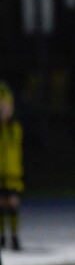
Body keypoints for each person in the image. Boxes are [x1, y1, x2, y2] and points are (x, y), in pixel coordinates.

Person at [0, 82, 24, 251]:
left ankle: (14, 236)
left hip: (12, 173)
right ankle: (2, 237)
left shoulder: (15, 128)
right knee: (1, 205)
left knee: (13, 204)